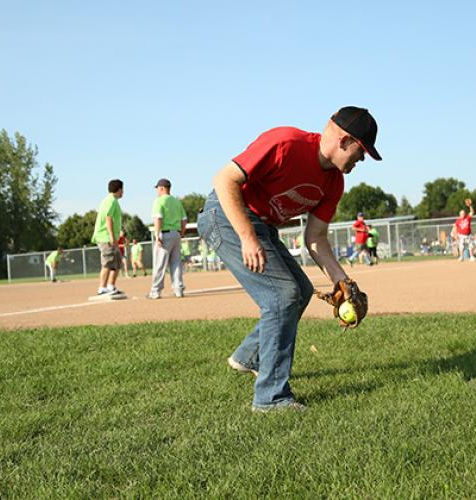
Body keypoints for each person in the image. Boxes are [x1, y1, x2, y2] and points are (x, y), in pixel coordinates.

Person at [197, 106, 381, 412]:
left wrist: (343, 282)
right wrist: (247, 237)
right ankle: (271, 398)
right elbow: (224, 179)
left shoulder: (334, 182)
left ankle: (249, 357)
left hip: (261, 225)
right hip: (226, 215)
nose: (360, 161)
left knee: (302, 291)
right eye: (361, 153)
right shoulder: (285, 143)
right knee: (282, 296)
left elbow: (316, 239)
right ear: (345, 141)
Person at [149, 178, 188, 299]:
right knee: (176, 263)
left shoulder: (159, 201)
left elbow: (158, 218)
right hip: (176, 234)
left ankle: (155, 291)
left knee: (160, 264)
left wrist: (157, 234)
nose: (157, 191)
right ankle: (178, 289)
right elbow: (184, 220)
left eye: (157, 188)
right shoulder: (176, 201)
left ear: (161, 188)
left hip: (164, 234)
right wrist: (181, 232)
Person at [91, 179, 125, 296]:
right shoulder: (110, 201)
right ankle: (102, 288)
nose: (123, 192)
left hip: (110, 236)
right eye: (122, 189)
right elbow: (108, 218)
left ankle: (110, 286)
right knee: (108, 262)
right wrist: (111, 237)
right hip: (105, 237)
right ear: (119, 189)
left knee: (117, 261)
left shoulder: (111, 201)